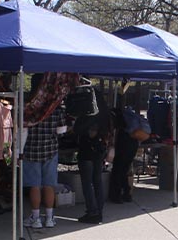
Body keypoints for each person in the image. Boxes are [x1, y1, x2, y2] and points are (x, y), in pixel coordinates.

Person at [23, 74, 68, 229]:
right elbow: (62, 130)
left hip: (31, 150)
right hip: (50, 150)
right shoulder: (54, 106)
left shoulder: (28, 106)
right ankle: (49, 218)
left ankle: (36, 218)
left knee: (34, 185)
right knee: (49, 185)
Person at [73, 89, 112, 224]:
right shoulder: (105, 113)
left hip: (87, 151)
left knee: (87, 184)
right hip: (100, 150)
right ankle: (98, 211)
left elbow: (78, 129)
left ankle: (92, 211)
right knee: (97, 181)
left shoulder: (89, 112)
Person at [108, 106, 148, 204]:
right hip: (133, 145)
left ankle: (116, 196)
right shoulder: (129, 118)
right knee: (124, 170)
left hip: (124, 145)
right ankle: (127, 194)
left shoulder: (117, 119)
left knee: (117, 170)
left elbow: (114, 132)